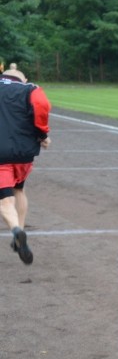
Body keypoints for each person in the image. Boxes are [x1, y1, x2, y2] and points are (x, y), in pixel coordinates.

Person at [0, 64, 51, 265]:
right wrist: (42, 135)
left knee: (5, 201)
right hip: (24, 154)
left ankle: (17, 230)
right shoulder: (31, 89)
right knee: (19, 189)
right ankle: (19, 234)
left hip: (1, 156)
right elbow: (42, 108)